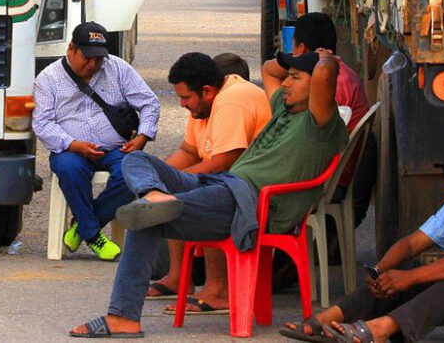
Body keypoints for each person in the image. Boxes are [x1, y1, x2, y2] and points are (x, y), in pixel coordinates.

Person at [68, 49, 347, 338]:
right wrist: (298, 60)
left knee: (144, 219)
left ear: (317, 88)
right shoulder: (285, 109)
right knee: (136, 160)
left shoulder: (320, 124)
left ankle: (123, 317)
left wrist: (325, 59)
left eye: (296, 77)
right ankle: (153, 194)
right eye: (288, 77)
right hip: (223, 185)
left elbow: (323, 76)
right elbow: (268, 69)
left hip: (248, 203)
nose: (285, 83)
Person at [281, 143, 444, 343]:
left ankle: (378, 329)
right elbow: (411, 243)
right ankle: (327, 319)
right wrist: (381, 271)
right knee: (399, 274)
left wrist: (409, 278)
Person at [143, 52, 271, 313]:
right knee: (167, 188)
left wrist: (180, 181)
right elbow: (189, 152)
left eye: (185, 98)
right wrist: (157, 175)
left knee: (203, 193)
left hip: (257, 190)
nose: (181, 105)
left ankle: (219, 290)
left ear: (208, 91)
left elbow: (224, 161)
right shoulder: (203, 104)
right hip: (233, 181)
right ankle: (179, 278)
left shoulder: (233, 101)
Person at [33, 21, 160, 261]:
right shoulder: (48, 79)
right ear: (71, 49)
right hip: (71, 149)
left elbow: (149, 102)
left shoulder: (118, 69)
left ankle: (82, 228)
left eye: (98, 59)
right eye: (87, 57)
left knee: (134, 172)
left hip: (114, 148)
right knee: (69, 169)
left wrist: (143, 135)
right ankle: (94, 235)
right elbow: (42, 123)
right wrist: (72, 144)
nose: (93, 65)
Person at [290, 12, 371, 223]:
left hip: (331, 179)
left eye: (293, 47)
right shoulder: (339, 72)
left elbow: (317, 146)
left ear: (303, 49)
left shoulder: (331, 82)